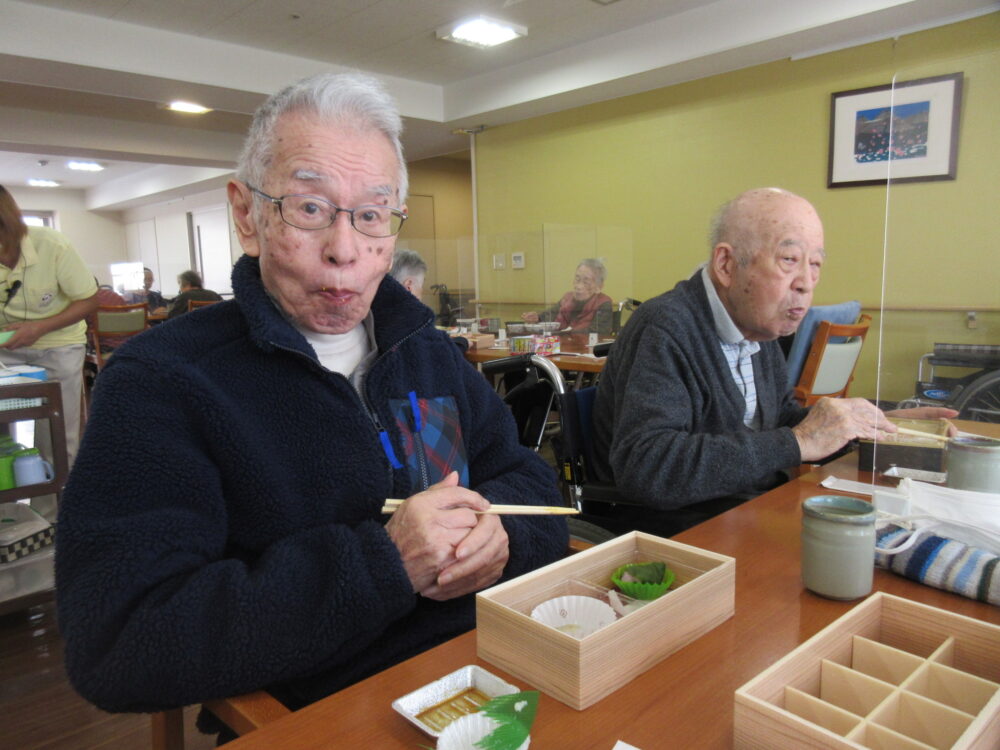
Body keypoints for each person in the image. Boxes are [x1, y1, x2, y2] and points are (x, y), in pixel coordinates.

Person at [56, 72, 567, 727]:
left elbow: (534, 488)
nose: (345, 251)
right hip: (323, 711)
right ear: (247, 215)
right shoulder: (165, 380)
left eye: (372, 214)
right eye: (310, 208)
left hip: (488, 679)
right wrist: (385, 564)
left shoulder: (424, 350)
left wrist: (501, 538)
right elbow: (119, 644)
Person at [591, 187, 955, 536]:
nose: (806, 283)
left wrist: (865, 427)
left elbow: (780, 419)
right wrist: (798, 441)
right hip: (680, 529)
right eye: (789, 260)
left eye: (814, 264)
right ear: (726, 264)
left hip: (748, 509)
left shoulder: (757, 326)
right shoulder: (666, 326)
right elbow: (648, 468)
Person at [0, 186, 98, 519]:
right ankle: (9, 511)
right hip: (6, 348)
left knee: (56, 438)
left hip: (58, 344)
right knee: (3, 434)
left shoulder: (51, 245)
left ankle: (53, 518)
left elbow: (88, 299)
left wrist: (39, 328)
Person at [521, 258, 613, 333]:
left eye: (586, 281)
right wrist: (537, 317)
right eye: (577, 279)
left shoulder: (604, 303)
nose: (579, 286)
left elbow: (597, 332)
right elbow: (551, 314)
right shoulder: (567, 298)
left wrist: (565, 333)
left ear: (598, 287)